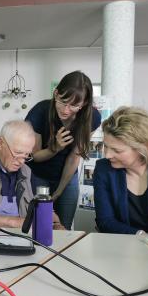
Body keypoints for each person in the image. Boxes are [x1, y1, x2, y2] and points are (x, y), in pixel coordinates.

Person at [25, 71, 101, 230]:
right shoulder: (40, 111)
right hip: (38, 174)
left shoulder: (92, 117)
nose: (66, 110)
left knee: (63, 227)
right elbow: (33, 157)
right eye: (63, 101)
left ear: (84, 103)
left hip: (67, 175)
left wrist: (58, 192)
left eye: (74, 105)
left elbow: (74, 157)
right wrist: (55, 148)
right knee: (39, 224)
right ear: (56, 93)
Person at [0, 120, 63, 229]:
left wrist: (56, 224)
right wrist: (13, 222)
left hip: (22, 239)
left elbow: (45, 208)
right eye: (17, 153)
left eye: (27, 155)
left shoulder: (27, 172)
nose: (21, 161)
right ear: (1, 143)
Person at [93, 106, 148, 235]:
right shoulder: (103, 169)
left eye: (117, 150)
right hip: (124, 247)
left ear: (143, 148)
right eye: (106, 146)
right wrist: (142, 236)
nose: (108, 155)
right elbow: (105, 221)